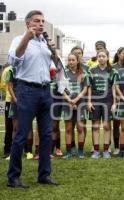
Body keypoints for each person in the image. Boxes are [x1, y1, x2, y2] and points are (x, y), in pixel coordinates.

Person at [7, 10, 58, 188]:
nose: (41, 24)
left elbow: (54, 66)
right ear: (28, 24)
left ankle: (44, 175)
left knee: (46, 134)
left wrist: (54, 51)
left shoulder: (44, 42)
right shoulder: (19, 39)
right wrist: (27, 38)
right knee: (21, 135)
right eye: (37, 21)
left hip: (45, 91)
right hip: (26, 90)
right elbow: (13, 60)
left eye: (43, 21)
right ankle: (13, 177)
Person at [87, 49, 117, 159]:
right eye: (99, 56)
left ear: (107, 58)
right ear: (97, 57)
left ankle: (106, 150)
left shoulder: (112, 71)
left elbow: (114, 88)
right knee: (95, 126)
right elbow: (89, 87)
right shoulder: (92, 70)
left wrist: (114, 103)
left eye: (103, 56)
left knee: (106, 126)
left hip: (107, 101)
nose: (101, 58)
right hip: (95, 101)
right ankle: (95, 151)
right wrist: (89, 102)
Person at [62, 53, 89, 159]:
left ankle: (80, 151)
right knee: (68, 128)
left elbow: (85, 89)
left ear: (77, 61)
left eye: (73, 60)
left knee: (80, 128)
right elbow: (62, 89)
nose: (71, 62)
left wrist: (76, 100)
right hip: (67, 103)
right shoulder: (64, 74)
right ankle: (68, 152)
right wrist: (69, 100)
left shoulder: (83, 73)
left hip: (80, 103)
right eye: (69, 60)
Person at [111, 47, 124, 155]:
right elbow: (112, 84)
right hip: (116, 99)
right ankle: (116, 147)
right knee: (116, 123)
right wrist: (115, 99)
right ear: (118, 54)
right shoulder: (113, 67)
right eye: (123, 53)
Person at [0, 63, 13, 159]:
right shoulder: (8, 70)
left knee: (21, 126)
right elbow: (3, 85)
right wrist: (9, 93)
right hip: (10, 101)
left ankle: (24, 149)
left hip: (21, 101)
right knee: (9, 126)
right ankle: (7, 150)